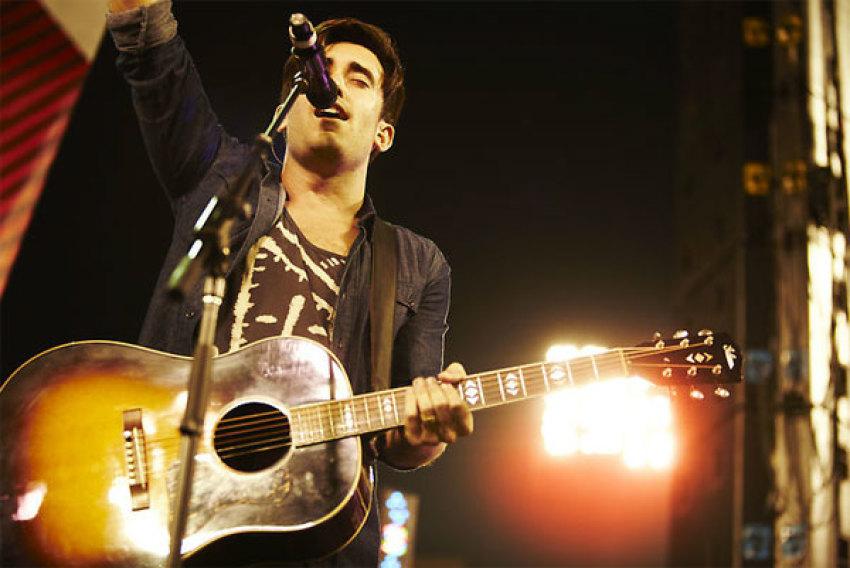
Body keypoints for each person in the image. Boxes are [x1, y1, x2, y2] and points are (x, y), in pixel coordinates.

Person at [106, 0, 474, 566]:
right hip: (168, 517)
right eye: (321, 73)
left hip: (314, 542)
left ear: (383, 133)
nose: (336, 88)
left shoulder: (419, 264)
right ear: (293, 101)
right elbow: (156, 62)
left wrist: (428, 431)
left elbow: (404, 435)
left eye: (360, 79)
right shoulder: (224, 180)